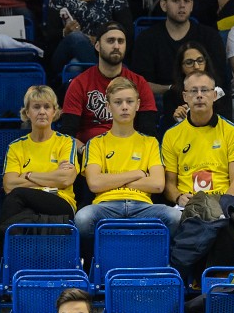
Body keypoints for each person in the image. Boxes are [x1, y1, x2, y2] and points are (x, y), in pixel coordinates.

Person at [72, 77, 180, 239]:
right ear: (108, 106)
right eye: (118, 102)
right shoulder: (95, 143)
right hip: (105, 206)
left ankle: (151, 253)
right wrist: (137, 174)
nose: (124, 107)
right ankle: (99, 255)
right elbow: (94, 184)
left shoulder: (150, 142)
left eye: (129, 101)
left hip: (142, 206)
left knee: (176, 217)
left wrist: (110, 181)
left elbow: (157, 185)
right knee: (82, 218)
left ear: (137, 105)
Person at [0, 85, 78, 237]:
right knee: (25, 213)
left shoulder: (66, 142)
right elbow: (9, 185)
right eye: (36, 107)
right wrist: (52, 178)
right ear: (27, 112)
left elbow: (65, 179)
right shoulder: (16, 147)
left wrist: (28, 175)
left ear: (54, 112)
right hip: (26, 205)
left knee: (18, 195)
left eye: (47, 107)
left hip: (60, 201)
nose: (42, 112)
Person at [60, 22, 159, 144]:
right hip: (89, 150)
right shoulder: (79, 83)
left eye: (121, 41)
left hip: (128, 150)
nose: (116, 46)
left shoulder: (139, 83)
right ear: (97, 46)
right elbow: (67, 133)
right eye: (110, 41)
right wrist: (84, 150)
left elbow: (148, 132)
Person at [161, 70, 234, 208]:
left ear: (214, 95)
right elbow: (169, 184)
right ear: (185, 96)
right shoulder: (171, 135)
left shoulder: (232, 132)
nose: (199, 95)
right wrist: (178, 197)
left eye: (205, 90)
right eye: (193, 91)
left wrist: (222, 206)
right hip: (188, 206)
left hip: (224, 204)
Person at [132, 0, 226, 99]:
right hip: (162, 98)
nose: (182, 5)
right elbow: (140, 84)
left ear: (191, 5)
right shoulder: (147, 38)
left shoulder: (210, 36)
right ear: (164, 5)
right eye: (176, 1)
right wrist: (172, 89)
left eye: (186, 1)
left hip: (205, 98)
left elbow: (220, 81)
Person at [161, 41, 234, 126]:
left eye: (200, 61)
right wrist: (178, 121)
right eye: (189, 63)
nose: (196, 66)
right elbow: (169, 132)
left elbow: (225, 128)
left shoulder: (221, 95)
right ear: (181, 67)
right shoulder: (170, 97)